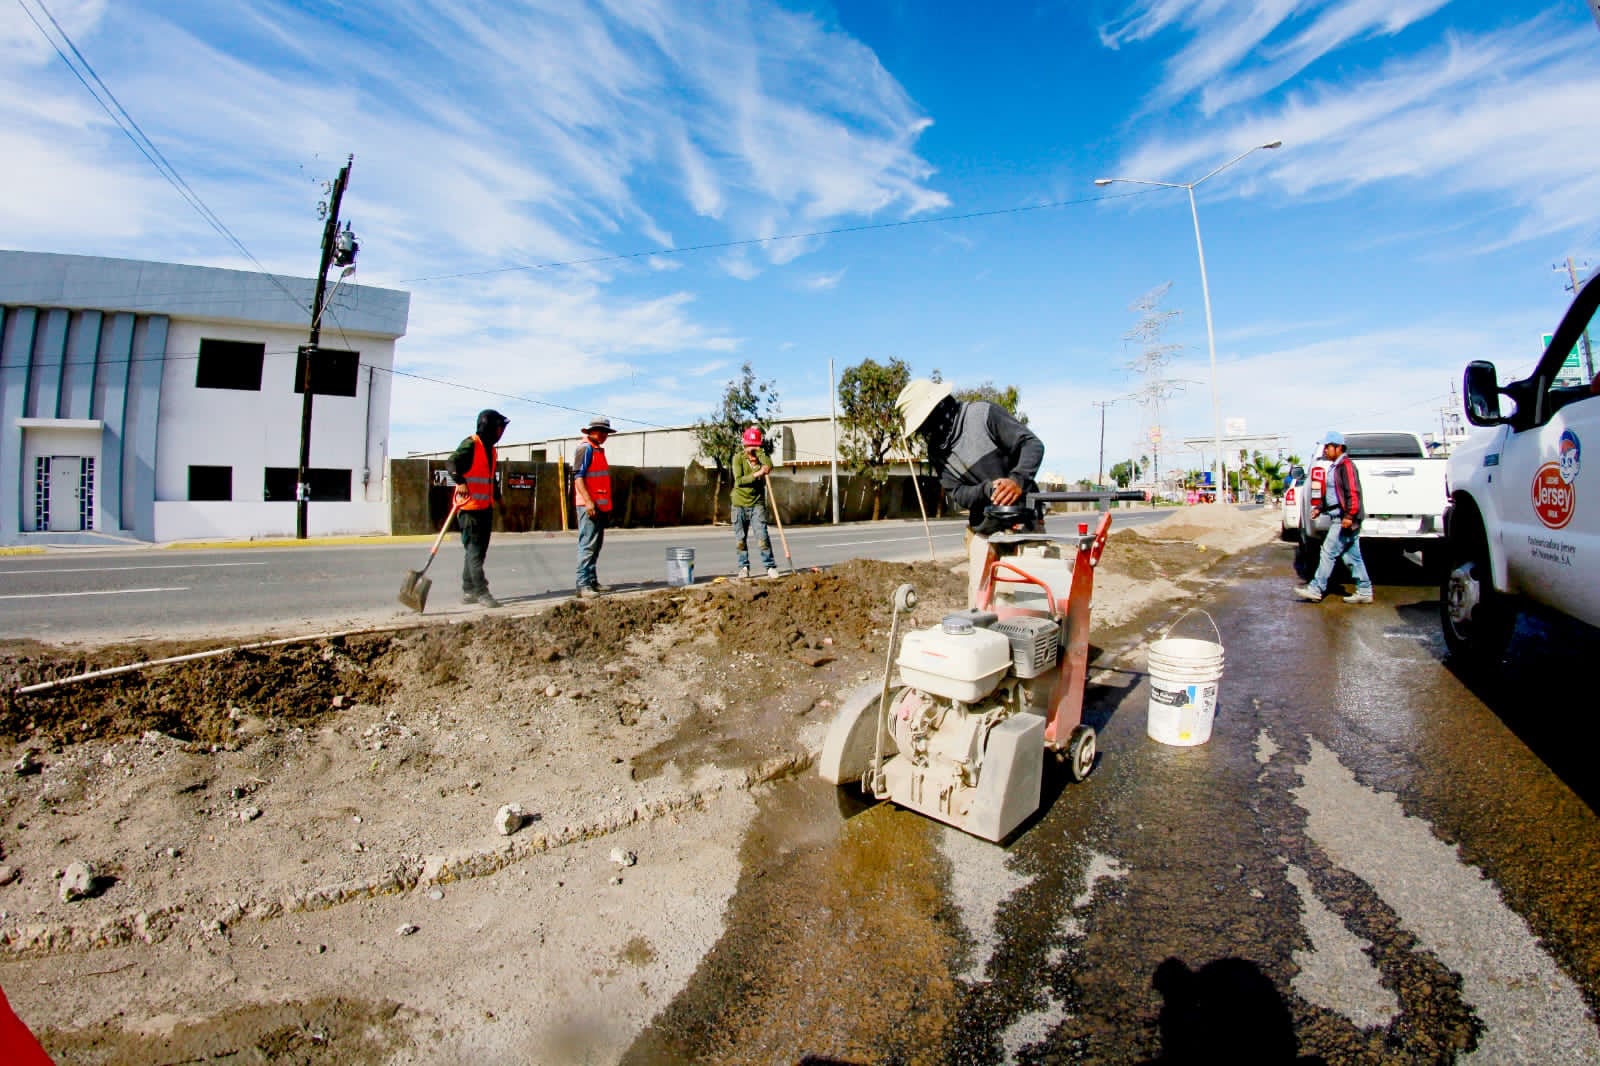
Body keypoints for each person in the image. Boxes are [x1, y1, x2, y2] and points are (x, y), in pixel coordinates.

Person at [895, 378, 1045, 532]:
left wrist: (1017, 480)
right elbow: (958, 492)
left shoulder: (983, 414)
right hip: (985, 528)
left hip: (1024, 518)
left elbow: (1031, 444)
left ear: (937, 408)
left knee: (1032, 554)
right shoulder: (936, 453)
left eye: (926, 422)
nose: (926, 430)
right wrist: (986, 490)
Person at [1294, 430, 1373, 604]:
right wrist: (1319, 508)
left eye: (1328, 447)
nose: (1325, 450)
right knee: (1353, 557)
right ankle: (1365, 590)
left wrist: (1350, 516)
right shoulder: (1335, 467)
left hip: (1344, 519)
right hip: (1339, 517)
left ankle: (1316, 589)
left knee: (1328, 553)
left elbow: (1353, 492)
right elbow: (1333, 495)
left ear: (1338, 448)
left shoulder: (1346, 466)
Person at [448, 409, 509, 608]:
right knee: (474, 551)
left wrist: (499, 500)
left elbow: (490, 479)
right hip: (469, 509)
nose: (502, 432)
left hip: (484, 507)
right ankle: (482, 592)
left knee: (477, 552)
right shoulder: (471, 444)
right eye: (500, 427)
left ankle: (468, 591)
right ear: (491, 427)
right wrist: (460, 481)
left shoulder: (490, 450)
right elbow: (451, 462)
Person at [572, 416, 614, 598]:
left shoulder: (596, 450)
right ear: (592, 431)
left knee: (595, 545)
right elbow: (578, 477)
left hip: (599, 506)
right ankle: (583, 584)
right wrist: (589, 501)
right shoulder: (585, 448)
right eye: (601, 431)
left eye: (606, 432)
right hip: (589, 505)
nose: (604, 435)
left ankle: (591, 581)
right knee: (588, 545)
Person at [731, 426, 780, 579]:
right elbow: (739, 481)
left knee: (762, 536)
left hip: (757, 504)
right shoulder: (738, 458)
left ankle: (770, 566)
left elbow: (769, 466)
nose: (751, 450)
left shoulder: (761, 457)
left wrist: (759, 453)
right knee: (740, 539)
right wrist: (757, 473)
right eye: (748, 446)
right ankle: (743, 567)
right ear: (744, 445)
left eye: (755, 446)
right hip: (739, 504)